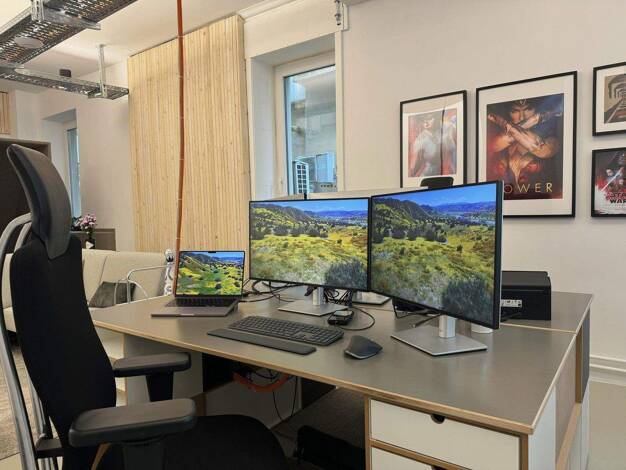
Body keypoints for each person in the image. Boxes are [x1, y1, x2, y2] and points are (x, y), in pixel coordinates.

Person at [487, 98, 562, 198]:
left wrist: (502, 122)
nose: (522, 117)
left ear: (536, 110)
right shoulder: (498, 139)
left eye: (528, 109)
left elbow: (539, 149)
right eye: (515, 111)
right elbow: (494, 145)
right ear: (508, 113)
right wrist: (535, 119)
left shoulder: (551, 137)